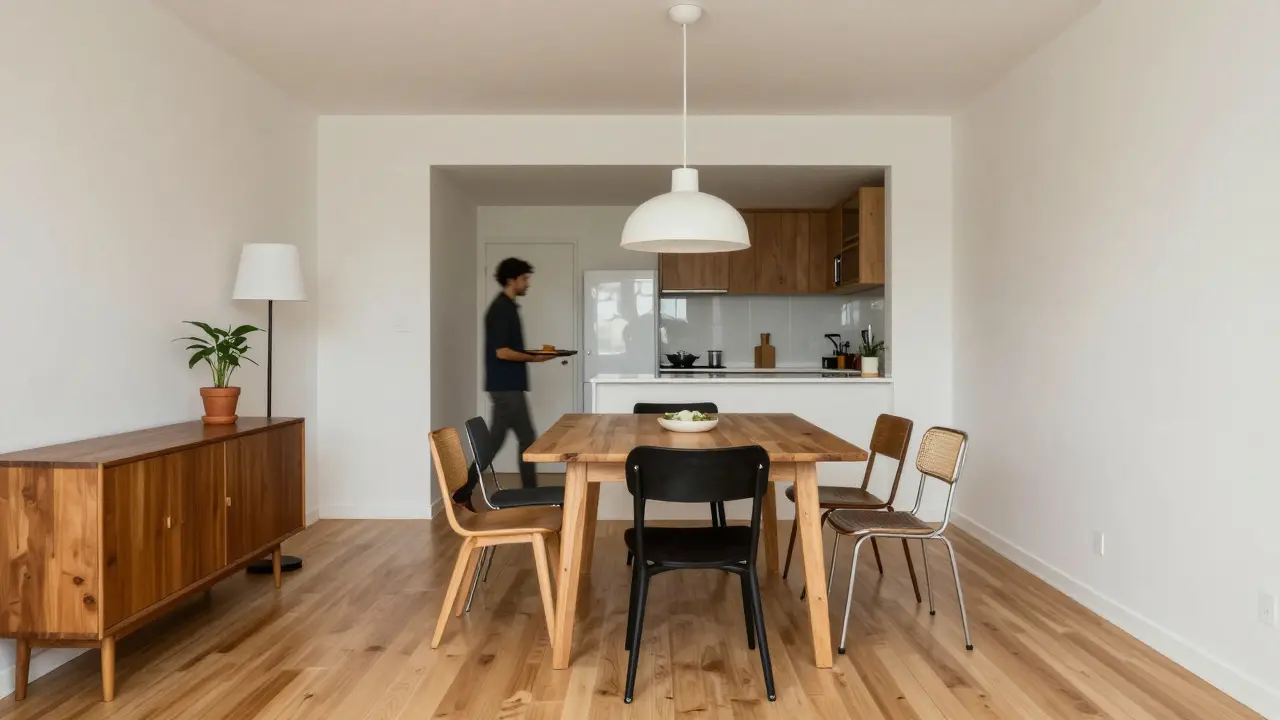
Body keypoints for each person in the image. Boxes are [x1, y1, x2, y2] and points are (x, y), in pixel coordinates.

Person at [453, 257, 554, 510]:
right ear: (512, 280)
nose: (528, 283)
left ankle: (464, 491)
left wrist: (534, 356)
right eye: (525, 278)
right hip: (506, 387)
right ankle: (531, 496)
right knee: (527, 440)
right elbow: (502, 352)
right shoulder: (501, 309)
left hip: (505, 386)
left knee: (499, 441)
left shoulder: (507, 307)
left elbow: (509, 350)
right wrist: (534, 358)